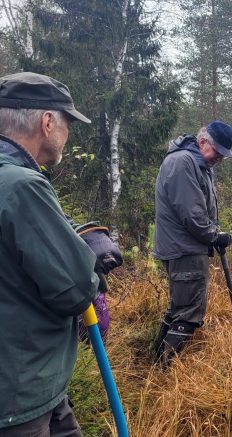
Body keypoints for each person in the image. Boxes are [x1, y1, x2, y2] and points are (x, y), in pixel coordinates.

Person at [0, 72, 120, 436]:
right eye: (67, 122)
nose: (68, 133)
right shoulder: (22, 186)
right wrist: (92, 271)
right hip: (20, 390)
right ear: (47, 122)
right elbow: (75, 287)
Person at [152, 120, 232, 366]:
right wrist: (214, 235)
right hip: (185, 249)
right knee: (188, 314)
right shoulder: (183, 162)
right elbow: (192, 214)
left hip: (184, 247)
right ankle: (164, 369)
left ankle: (156, 363)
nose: (219, 158)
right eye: (217, 151)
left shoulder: (196, 163)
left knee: (179, 308)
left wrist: (213, 233)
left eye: (223, 155)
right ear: (202, 142)